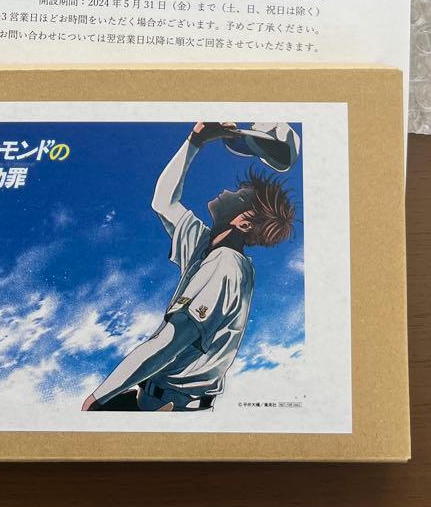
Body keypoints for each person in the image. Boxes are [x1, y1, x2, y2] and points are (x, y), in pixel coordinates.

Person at [81, 121, 297, 413]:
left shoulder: (226, 266)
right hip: (158, 400)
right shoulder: (207, 244)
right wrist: (195, 140)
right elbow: (164, 202)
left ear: (243, 223)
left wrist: (100, 396)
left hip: (173, 409)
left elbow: (169, 342)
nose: (227, 191)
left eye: (240, 196)